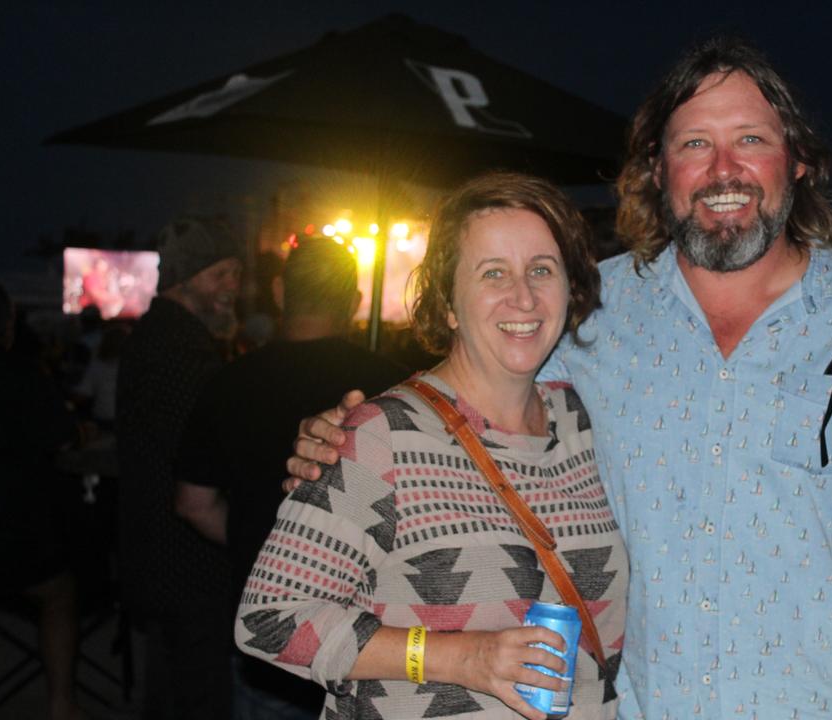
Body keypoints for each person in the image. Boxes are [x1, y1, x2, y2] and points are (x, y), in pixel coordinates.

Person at [290, 37, 832, 719]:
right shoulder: (588, 310)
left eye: (750, 140)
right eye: (692, 145)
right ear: (657, 170)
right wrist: (357, 437)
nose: (722, 170)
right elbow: (472, 401)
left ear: (798, 161)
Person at [237, 172, 628, 719]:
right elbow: (270, 619)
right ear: (447, 303)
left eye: (542, 270)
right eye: (494, 273)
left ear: (571, 289)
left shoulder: (593, 427)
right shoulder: (383, 435)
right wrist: (459, 657)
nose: (523, 296)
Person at [173, 238, 408, 719]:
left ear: (279, 292)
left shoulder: (228, 382)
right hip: (368, 640)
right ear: (355, 301)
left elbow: (193, 503)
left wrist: (259, 545)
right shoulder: (393, 386)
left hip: (267, 640)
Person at [116, 215, 242, 720]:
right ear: (186, 278)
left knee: (168, 691)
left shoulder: (155, 333)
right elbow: (202, 457)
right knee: (197, 697)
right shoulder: (182, 347)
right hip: (185, 560)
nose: (234, 288)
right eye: (222, 275)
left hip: (154, 551)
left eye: (237, 274)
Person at [0, 282, 87, 720]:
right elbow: (62, 436)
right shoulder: (22, 375)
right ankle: (61, 704)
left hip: (11, 536)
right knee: (59, 594)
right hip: (14, 537)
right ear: (6, 325)